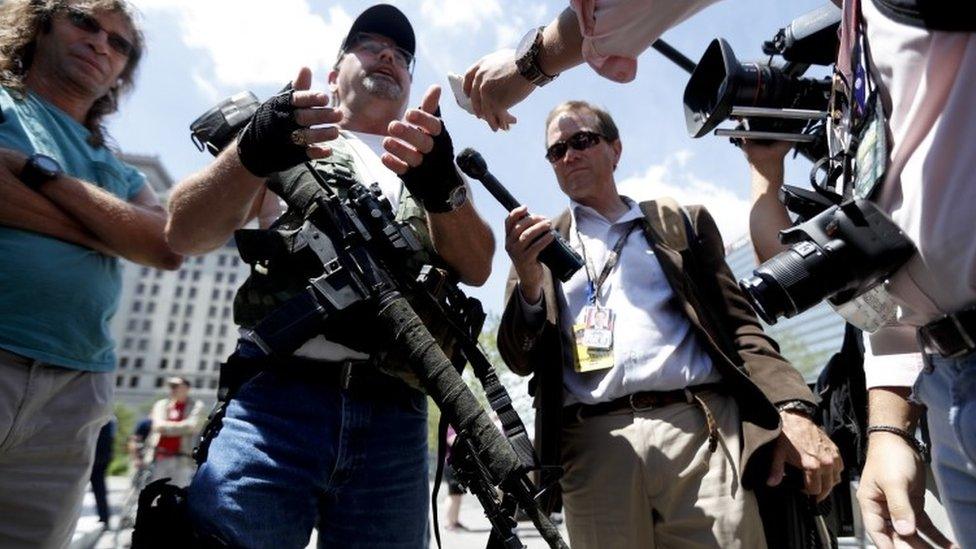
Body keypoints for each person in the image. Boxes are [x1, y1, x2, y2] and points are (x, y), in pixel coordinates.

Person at [165, 4, 494, 546]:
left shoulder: (428, 161)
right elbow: (184, 232)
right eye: (369, 44)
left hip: (398, 416)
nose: (388, 55)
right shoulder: (287, 141)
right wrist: (249, 155)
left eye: (403, 55)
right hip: (277, 406)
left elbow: (477, 266)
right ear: (335, 68)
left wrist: (445, 190)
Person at [497, 100, 842, 548]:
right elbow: (517, 358)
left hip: (700, 431)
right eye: (556, 151)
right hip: (594, 444)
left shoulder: (677, 222)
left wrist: (793, 409)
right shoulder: (537, 246)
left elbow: (742, 329)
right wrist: (527, 282)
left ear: (615, 149)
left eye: (581, 141)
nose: (569, 155)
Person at [0, 1, 181, 545]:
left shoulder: (118, 167)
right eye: (85, 22)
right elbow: (139, 239)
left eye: (120, 43)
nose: (102, 43)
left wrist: (39, 174)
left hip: (76, 390)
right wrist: (108, 230)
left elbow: (166, 245)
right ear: (40, 24)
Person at [145, 377, 204, 487]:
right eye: (171, 386)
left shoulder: (196, 405)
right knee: (154, 496)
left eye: (176, 386)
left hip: (183, 459)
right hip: (159, 457)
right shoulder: (161, 404)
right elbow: (157, 426)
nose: (173, 389)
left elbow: (192, 426)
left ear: (187, 388)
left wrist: (166, 428)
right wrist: (182, 427)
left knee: (177, 496)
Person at [90, 416, 117, 527]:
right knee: (100, 489)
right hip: (101, 458)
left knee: (98, 489)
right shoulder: (111, 419)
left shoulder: (97, 417)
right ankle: (104, 518)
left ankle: (104, 518)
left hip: (95, 458)